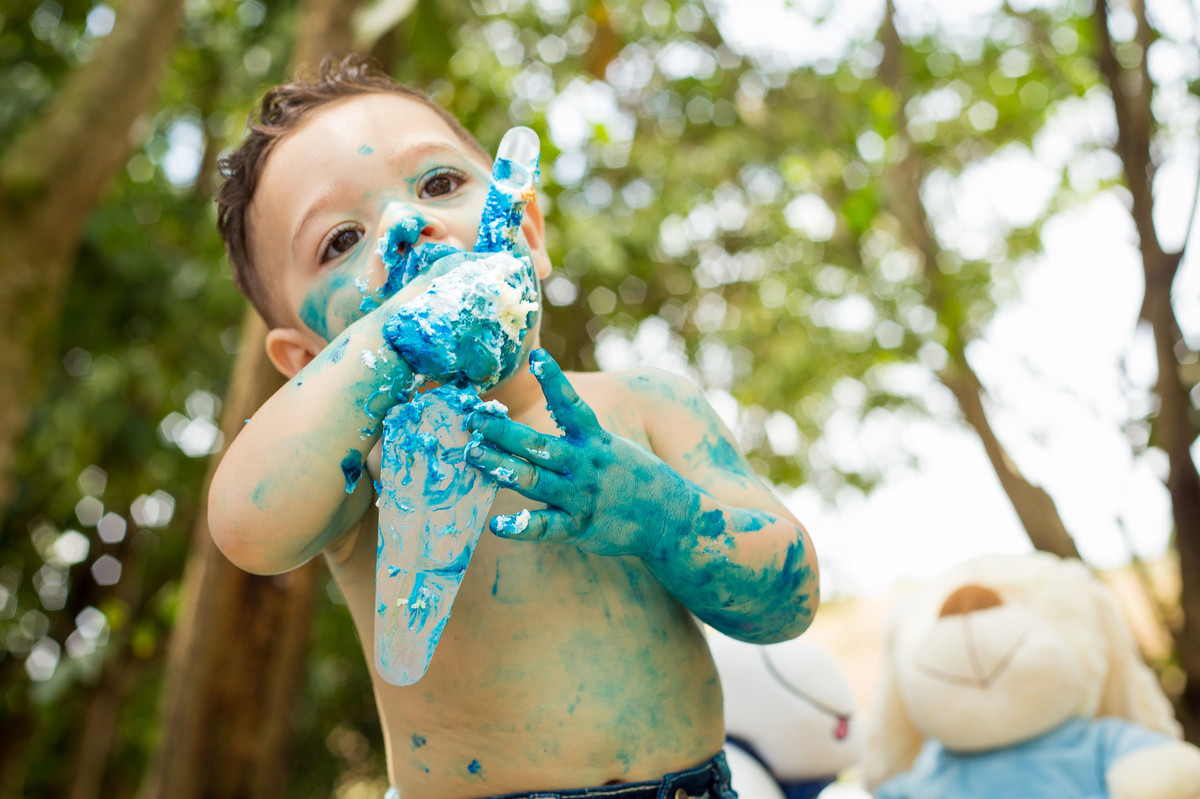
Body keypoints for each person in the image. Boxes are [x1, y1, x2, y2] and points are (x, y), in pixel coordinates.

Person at [207, 55, 819, 799]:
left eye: (438, 184)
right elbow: (245, 526)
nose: (406, 225)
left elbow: (789, 595)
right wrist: (396, 334)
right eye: (341, 240)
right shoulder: (364, 477)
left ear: (525, 226)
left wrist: (662, 515)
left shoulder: (645, 405)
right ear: (307, 359)